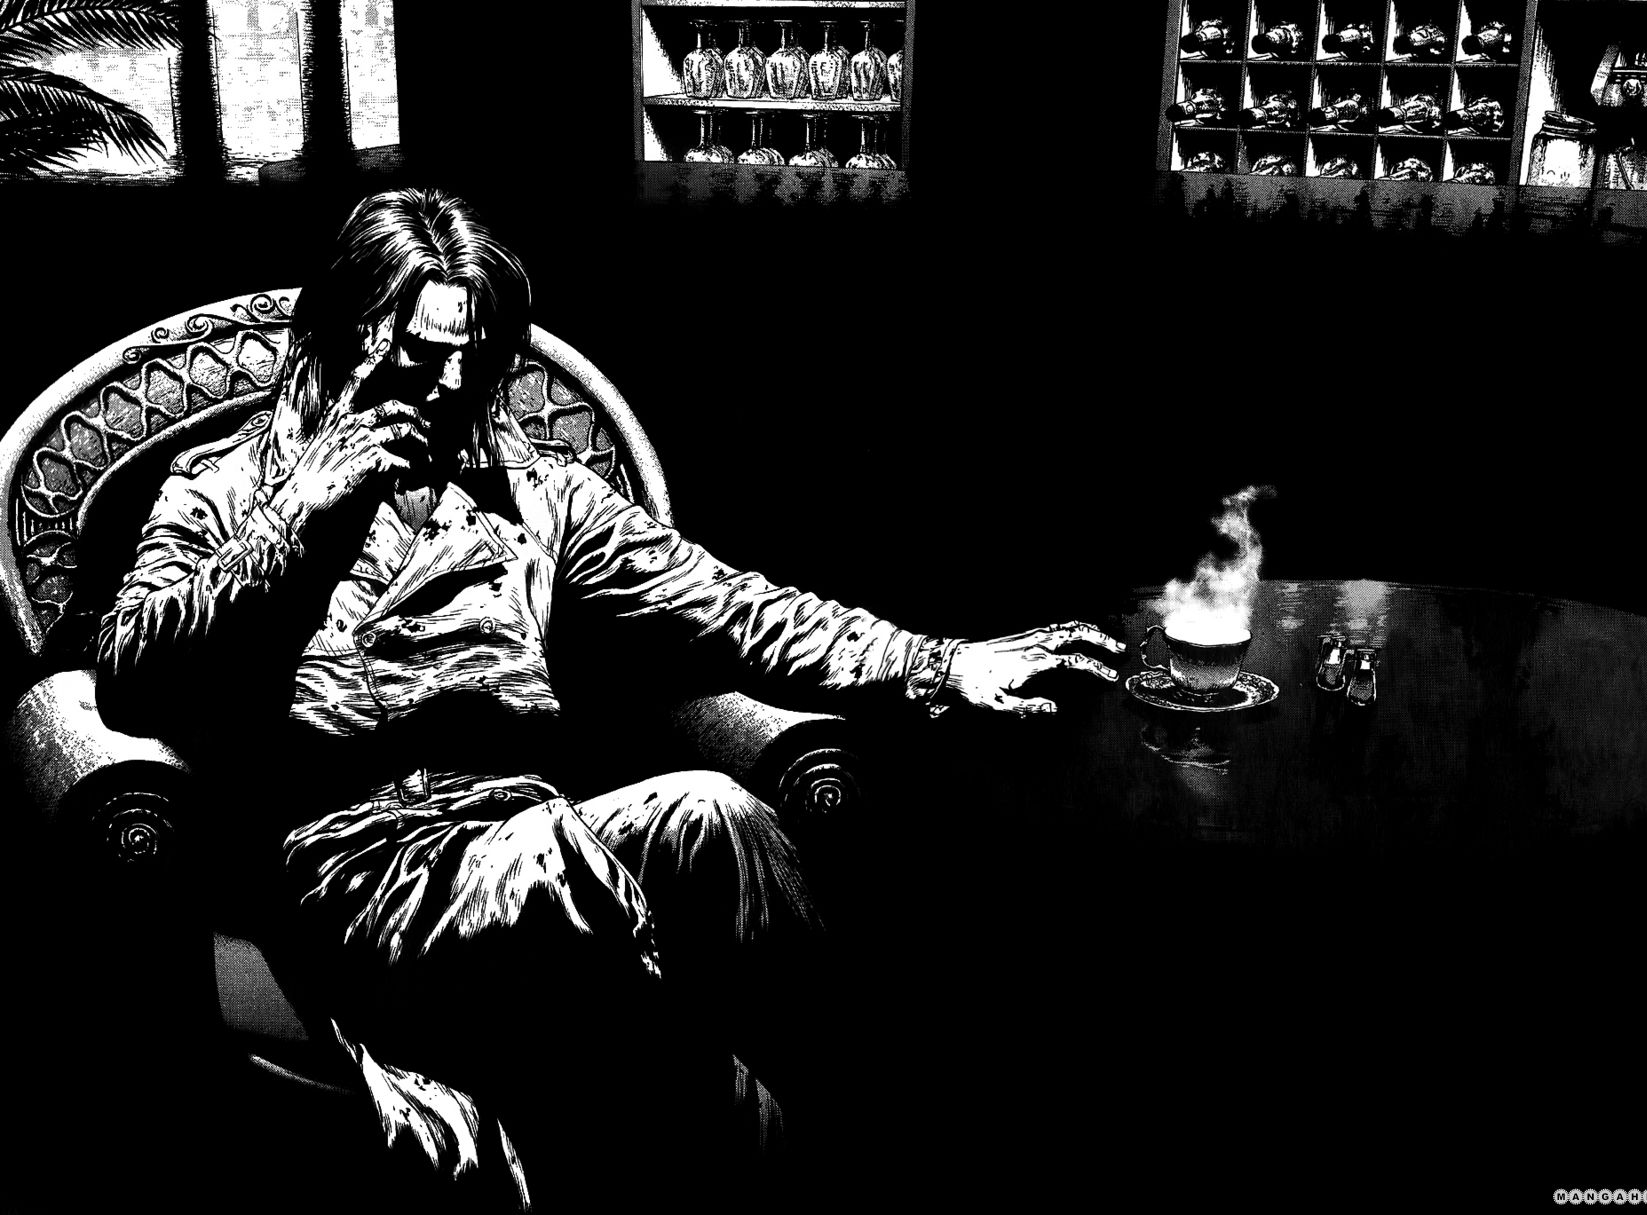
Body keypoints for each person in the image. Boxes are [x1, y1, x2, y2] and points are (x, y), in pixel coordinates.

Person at [96, 188, 1124, 1208]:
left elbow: (736, 610)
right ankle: (782, 1185)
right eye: (420, 355)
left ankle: (857, 1135)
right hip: (354, 876)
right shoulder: (223, 488)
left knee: (715, 818)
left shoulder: (536, 495)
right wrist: (301, 514)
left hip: (528, 836)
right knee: (564, 874)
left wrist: (941, 664)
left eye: (476, 360)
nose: (452, 386)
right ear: (338, 338)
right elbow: (133, 668)